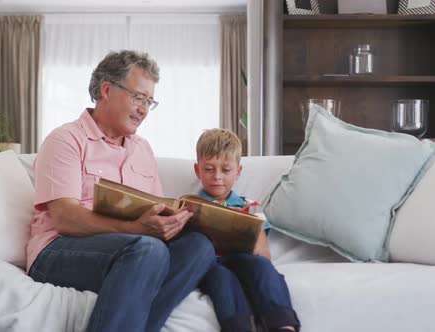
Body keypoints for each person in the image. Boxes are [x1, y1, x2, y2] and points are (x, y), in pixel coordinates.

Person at [26, 50, 215, 332]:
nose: (144, 109)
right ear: (106, 90)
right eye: (139, 97)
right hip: (58, 251)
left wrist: (171, 223)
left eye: (150, 102)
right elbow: (66, 218)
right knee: (148, 250)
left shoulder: (143, 149)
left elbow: (155, 209)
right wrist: (139, 230)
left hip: (131, 252)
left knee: (199, 247)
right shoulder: (65, 140)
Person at [194, 128, 300, 332]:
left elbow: (263, 254)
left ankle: (283, 325)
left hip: (243, 259)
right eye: (209, 169)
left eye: (225, 170)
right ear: (198, 170)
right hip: (209, 265)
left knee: (261, 267)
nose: (217, 177)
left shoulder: (250, 206)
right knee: (222, 279)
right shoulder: (191, 205)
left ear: (238, 172)